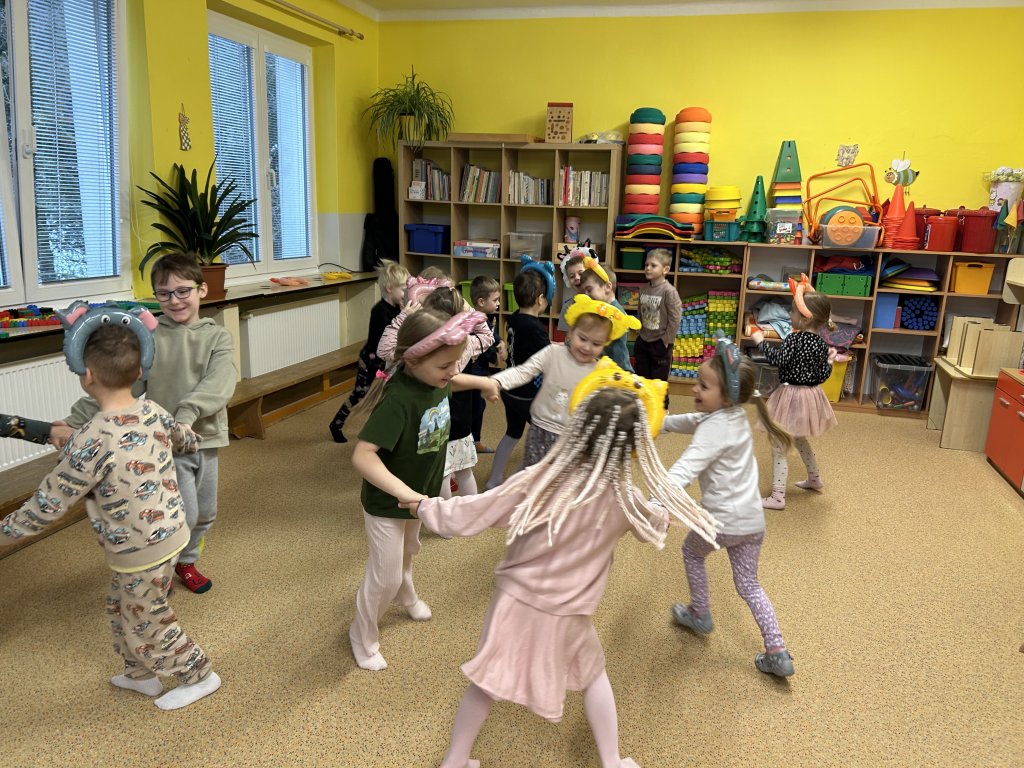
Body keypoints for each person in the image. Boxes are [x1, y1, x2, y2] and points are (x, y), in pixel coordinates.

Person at [402, 362, 719, 768]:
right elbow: (652, 524)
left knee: (487, 683)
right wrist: (662, 514)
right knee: (593, 676)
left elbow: (475, 511)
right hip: (570, 612)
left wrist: (425, 507)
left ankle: (455, 760)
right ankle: (611, 761)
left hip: (516, 602)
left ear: (578, 425)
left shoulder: (540, 479)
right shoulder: (623, 499)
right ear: (633, 445)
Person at [2, 320, 221, 709]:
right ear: (139, 373)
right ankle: (141, 675)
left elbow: (47, 504)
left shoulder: (90, 440)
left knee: (148, 618)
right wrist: (186, 443)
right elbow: (185, 437)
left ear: (86, 376)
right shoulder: (152, 410)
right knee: (121, 606)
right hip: (169, 532)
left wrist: (5, 532)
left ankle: (200, 674)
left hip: (142, 548)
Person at [53, 252, 236, 594]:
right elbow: (120, 385)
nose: (174, 300)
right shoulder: (148, 338)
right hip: (163, 443)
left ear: (202, 290)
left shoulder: (218, 337)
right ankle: (163, 568)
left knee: (206, 513)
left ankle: (186, 561)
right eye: (164, 293)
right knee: (183, 513)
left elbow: (220, 382)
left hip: (206, 438)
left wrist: (187, 415)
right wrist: (72, 420)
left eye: (183, 291)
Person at [348, 309, 497, 671]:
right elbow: (362, 455)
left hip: (419, 498)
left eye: (455, 363)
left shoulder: (435, 378)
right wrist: (406, 494)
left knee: (409, 551)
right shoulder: (399, 399)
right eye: (445, 365)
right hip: (389, 503)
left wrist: (483, 383)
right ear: (413, 360)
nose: (452, 371)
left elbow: (452, 382)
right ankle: (361, 634)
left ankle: (406, 594)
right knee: (383, 575)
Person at [662, 334, 796, 678]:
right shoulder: (733, 415)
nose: (695, 389)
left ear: (725, 396)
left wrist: (656, 500)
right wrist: (659, 423)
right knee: (749, 585)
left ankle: (700, 613)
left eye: (703, 386)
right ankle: (777, 651)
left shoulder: (714, 427)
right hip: (752, 523)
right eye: (697, 381)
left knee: (692, 553)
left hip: (719, 522)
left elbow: (686, 467)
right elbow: (691, 422)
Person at [491, 294, 638, 469]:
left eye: (596, 344)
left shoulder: (599, 371)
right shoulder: (553, 352)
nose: (587, 347)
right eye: (582, 338)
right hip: (540, 431)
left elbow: (620, 397)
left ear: (605, 344)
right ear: (570, 332)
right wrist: (496, 381)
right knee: (531, 473)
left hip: (572, 438)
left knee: (560, 479)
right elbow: (523, 372)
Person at [378, 284, 494, 500]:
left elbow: (385, 349)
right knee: (465, 471)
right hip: (461, 421)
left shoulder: (424, 351)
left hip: (435, 423)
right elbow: (487, 335)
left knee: (442, 476)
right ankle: (469, 511)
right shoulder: (465, 342)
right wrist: (467, 309)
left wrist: (404, 317)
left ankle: (444, 517)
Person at [751, 291, 838, 510]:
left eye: (792, 311)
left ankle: (777, 496)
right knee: (799, 438)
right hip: (810, 397)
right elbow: (822, 376)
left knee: (779, 443)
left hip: (791, 396)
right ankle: (814, 478)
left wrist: (761, 341)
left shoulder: (794, 339)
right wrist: (830, 362)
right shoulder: (821, 344)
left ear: (805, 318)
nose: (790, 315)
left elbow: (777, 359)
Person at [329, 259, 410, 443]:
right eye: (403, 289)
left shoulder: (398, 309)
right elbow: (383, 340)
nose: (406, 294)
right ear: (389, 288)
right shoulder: (379, 311)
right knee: (360, 394)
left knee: (387, 395)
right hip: (371, 361)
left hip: (387, 361)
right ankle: (336, 424)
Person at [484, 268, 550, 490]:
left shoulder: (513, 318)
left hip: (509, 388)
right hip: (528, 394)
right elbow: (548, 357)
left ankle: (494, 479)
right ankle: (514, 484)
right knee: (543, 440)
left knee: (512, 433)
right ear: (540, 299)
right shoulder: (536, 328)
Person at [633, 248, 682, 406]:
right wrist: (639, 331)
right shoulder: (643, 289)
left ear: (665, 270)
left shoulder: (669, 292)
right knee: (642, 377)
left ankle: (663, 409)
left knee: (659, 381)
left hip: (660, 343)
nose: (648, 268)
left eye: (653, 265)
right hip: (643, 340)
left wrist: (666, 340)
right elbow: (640, 311)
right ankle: (644, 407)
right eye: (646, 265)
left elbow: (675, 318)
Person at [466, 275, 505, 453]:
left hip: (480, 371)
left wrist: (500, 341)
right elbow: (482, 345)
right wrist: (494, 356)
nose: (498, 304)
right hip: (473, 372)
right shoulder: (475, 321)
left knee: (479, 406)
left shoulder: (485, 318)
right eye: (495, 300)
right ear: (481, 302)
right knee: (474, 407)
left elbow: (492, 335)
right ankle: (471, 442)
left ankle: (475, 441)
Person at [578, 257, 634, 372]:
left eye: (589, 290)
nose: (586, 295)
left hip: (617, 372)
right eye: (584, 291)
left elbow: (617, 354)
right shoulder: (601, 309)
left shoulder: (614, 314)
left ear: (608, 287)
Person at [555, 250, 587, 333]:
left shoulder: (600, 302)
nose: (576, 278)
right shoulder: (567, 307)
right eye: (572, 276)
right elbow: (566, 337)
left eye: (581, 273)